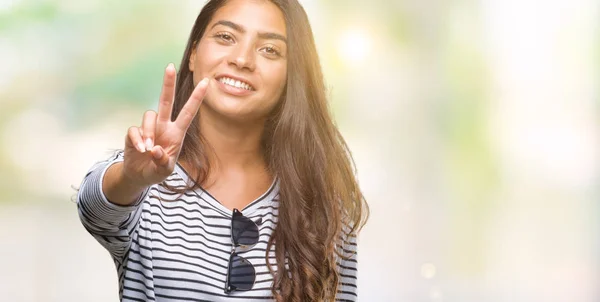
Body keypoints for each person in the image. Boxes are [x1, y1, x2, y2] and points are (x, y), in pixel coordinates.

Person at [77, 0, 369, 301]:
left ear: (291, 75)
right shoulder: (143, 180)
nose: (242, 59)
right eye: (225, 37)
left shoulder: (322, 204)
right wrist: (131, 177)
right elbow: (94, 207)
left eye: (269, 49)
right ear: (193, 54)